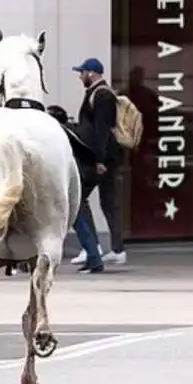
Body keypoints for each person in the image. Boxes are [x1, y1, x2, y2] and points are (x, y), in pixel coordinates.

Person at [68, 57, 123, 273]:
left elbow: (102, 131)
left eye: (82, 72)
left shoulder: (101, 95)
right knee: (108, 202)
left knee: (78, 199)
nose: (80, 76)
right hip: (103, 159)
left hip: (101, 159)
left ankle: (93, 249)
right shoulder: (98, 94)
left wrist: (98, 160)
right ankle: (111, 250)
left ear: (91, 73)